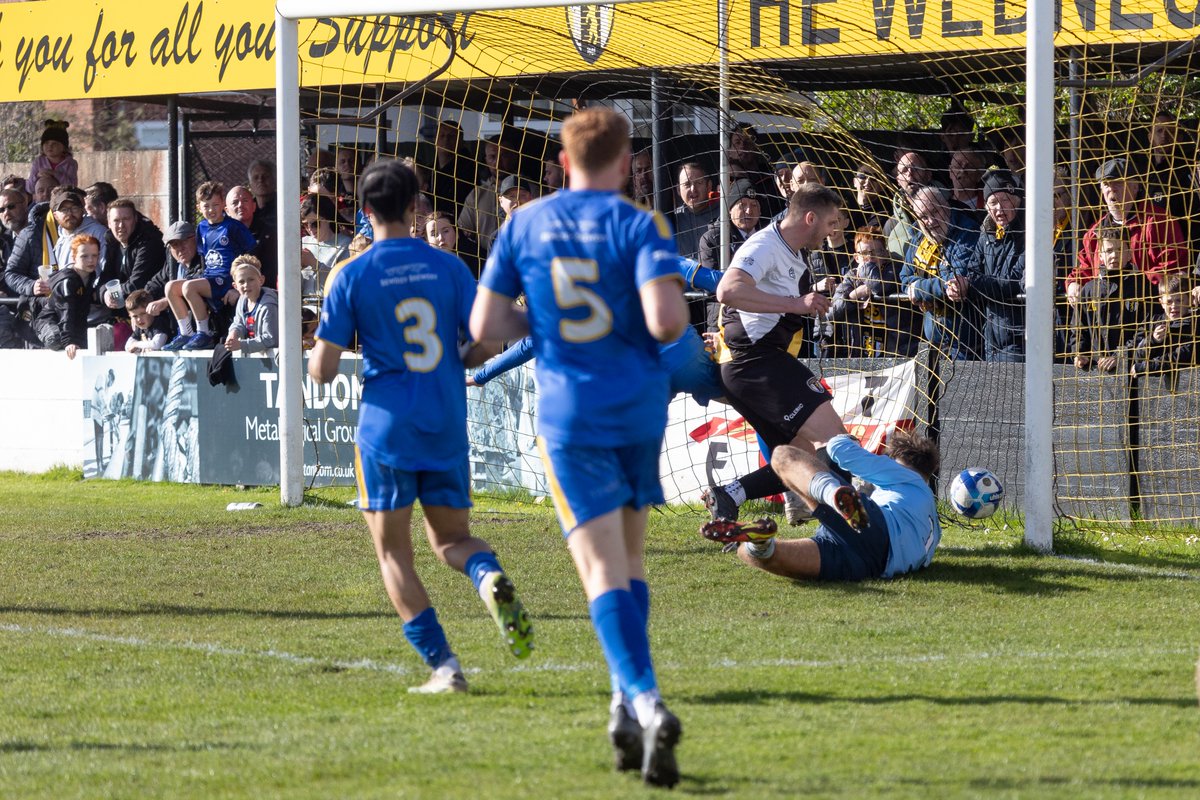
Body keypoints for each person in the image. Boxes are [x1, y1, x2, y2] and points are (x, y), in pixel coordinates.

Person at [470, 107, 687, 788]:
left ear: (563, 163)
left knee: (601, 572)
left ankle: (645, 701)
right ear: (626, 163)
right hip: (638, 408)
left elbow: (485, 322)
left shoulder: (525, 223)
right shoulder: (642, 224)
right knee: (630, 561)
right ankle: (622, 704)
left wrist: (546, 319)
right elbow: (667, 321)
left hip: (572, 414)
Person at [309, 158, 533, 695]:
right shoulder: (450, 267)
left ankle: (444, 666)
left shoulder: (351, 274)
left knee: (394, 554)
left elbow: (323, 369)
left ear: (363, 210)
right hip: (444, 418)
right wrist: (455, 358)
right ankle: (488, 576)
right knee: (453, 540)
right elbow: (487, 343)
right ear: (415, 207)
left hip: (386, 427)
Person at [700, 183, 852, 526]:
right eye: (830, 223)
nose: (832, 232)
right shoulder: (765, 245)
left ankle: (730, 495)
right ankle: (854, 527)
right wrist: (796, 304)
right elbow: (727, 290)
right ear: (810, 218)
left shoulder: (794, 253)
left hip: (753, 366)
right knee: (838, 442)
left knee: (800, 458)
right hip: (753, 362)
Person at [702, 429, 942, 582]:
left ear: (897, 462)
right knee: (752, 554)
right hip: (872, 565)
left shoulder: (904, 474)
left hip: (877, 528)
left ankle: (831, 493)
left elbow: (839, 449)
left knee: (783, 456)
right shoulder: (933, 525)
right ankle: (760, 543)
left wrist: (838, 433)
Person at [1066, 157, 1187, 306]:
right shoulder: (1094, 232)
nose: (1112, 189)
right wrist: (1074, 283)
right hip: (1106, 312)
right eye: (1106, 184)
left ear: (1135, 187)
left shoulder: (1158, 221)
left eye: (1118, 183)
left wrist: (1131, 285)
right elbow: (1085, 268)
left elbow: (1173, 266)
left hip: (1149, 308)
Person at [161, 183, 254, 351]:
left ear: (223, 205)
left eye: (215, 205)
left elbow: (250, 254)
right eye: (206, 206)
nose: (211, 210)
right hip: (209, 278)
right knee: (170, 287)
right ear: (199, 207)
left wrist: (238, 285)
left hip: (226, 279)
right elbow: (203, 256)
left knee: (189, 287)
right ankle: (186, 333)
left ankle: (204, 333)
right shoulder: (201, 228)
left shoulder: (233, 227)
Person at [900, 185, 983, 361]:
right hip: (934, 345)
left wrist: (918, 289)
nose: (930, 221)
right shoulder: (918, 237)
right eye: (923, 216)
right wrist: (924, 289)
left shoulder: (967, 232)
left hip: (967, 347)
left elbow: (954, 280)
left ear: (946, 206)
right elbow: (905, 277)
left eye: (934, 212)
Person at [958, 169, 1026, 362]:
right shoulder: (986, 235)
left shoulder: (1028, 235)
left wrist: (971, 285)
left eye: (1005, 200)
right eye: (993, 202)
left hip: (1019, 338)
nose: (999, 208)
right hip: (990, 338)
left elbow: (1013, 282)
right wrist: (962, 284)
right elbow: (972, 271)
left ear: (1017, 200)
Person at [1075, 223, 1153, 373]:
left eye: (1120, 250)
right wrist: (1081, 352)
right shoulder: (1090, 289)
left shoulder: (1143, 286)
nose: (1114, 255)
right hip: (1096, 369)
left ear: (1129, 253)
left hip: (1132, 368)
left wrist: (1121, 354)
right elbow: (1079, 326)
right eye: (1109, 250)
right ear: (1101, 255)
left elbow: (1148, 326)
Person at [30, 233, 99, 358]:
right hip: (49, 322)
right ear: (74, 257)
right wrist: (69, 341)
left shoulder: (91, 277)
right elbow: (66, 311)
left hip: (72, 323)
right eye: (84, 256)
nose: (90, 260)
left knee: (83, 342)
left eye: (94, 255)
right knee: (57, 339)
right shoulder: (68, 281)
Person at [1130, 273, 1197, 392]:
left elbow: (1181, 356)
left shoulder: (1194, 323)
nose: (1174, 306)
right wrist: (1152, 340)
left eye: (1179, 300)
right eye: (1169, 301)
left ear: (1189, 300)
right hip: (1152, 392)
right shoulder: (1153, 322)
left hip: (1189, 388)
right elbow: (1138, 356)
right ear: (1161, 302)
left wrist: (1147, 367)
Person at [99, 198, 165, 308]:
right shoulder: (111, 242)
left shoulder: (149, 242)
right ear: (109, 223)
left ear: (135, 219)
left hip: (148, 310)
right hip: (123, 310)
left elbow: (137, 284)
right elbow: (104, 278)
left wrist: (112, 293)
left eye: (126, 219)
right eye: (116, 220)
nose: (121, 225)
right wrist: (105, 294)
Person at [224, 255, 278, 354]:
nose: (246, 285)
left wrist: (241, 345)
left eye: (251, 279)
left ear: (261, 280)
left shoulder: (268, 306)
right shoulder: (242, 300)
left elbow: (271, 339)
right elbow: (239, 322)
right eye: (241, 282)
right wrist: (233, 333)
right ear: (235, 286)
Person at [49, 187, 108, 271]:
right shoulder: (61, 240)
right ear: (55, 216)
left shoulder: (97, 232)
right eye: (64, 210)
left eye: (74, 208)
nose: (70, 213)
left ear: (82, 210)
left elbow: (106, 270)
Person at [671, 162, 718, 262]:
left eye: (699, 183)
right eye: (687, 184)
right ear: (678, 189)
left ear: (709, 186)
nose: (693, 189)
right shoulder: (672, 218)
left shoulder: (723, 215)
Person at [27, 120, 78, 195]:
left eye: (55, 143)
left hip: (61, 198)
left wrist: (55, 174)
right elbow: (29, 188)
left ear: (64, 147)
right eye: (46, 143)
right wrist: (37, 176)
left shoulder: (70, 164)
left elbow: (72, 187)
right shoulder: (38, 162)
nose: (50, 146)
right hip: (41, 199)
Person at [123, 289, 172, 353]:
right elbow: (127, 346)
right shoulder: (139, 328)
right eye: (135, 316)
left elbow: (157, 344)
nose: (139, 319)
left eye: (143, 314)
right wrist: (136, 346)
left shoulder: (159, 323)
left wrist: (136, 344)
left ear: (151, 311)